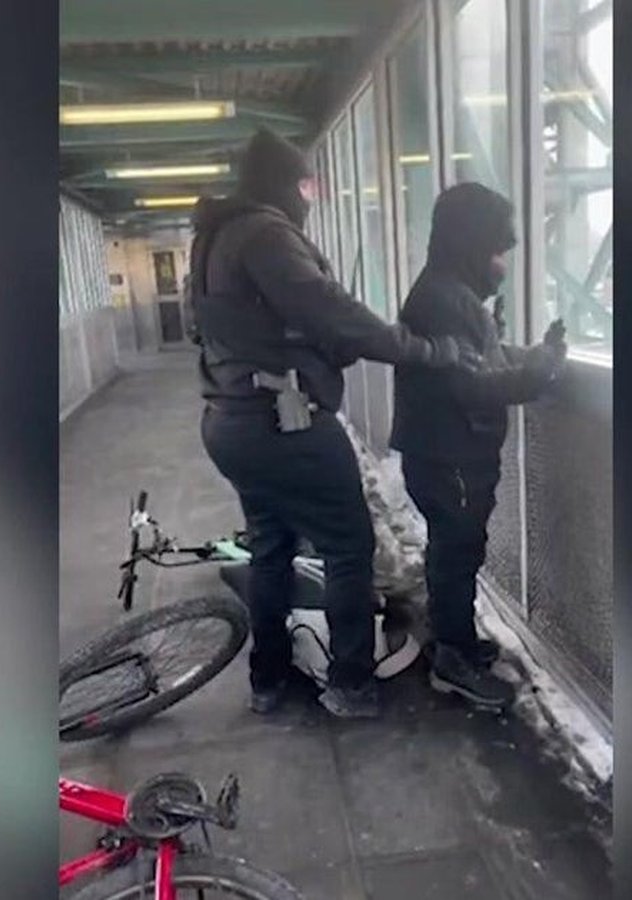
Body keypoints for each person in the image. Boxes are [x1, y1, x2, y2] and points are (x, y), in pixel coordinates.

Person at [188, 129, 479, 719]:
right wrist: (430, 350)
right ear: (285, 184)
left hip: (232, 422)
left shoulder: (214, 237)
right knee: (350, 546)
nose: (312, 195)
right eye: (306, 184)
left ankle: (266, 680)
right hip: (285, 427)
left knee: (271, 548)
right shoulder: (266, 234)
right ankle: (350, 684)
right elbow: (335, 314)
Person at [390, 182, 568, 711]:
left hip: (447, 452)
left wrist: (529, 356)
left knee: (454, 550)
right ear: (472, 244)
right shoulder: (444, 300)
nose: (503, 265)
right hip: (450, 456)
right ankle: (452, 660)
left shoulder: (449, 293)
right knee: (456, 553)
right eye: (497, 252)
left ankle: (457, 641)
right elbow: (470, 385)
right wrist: (536, 373)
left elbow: (479, 360)